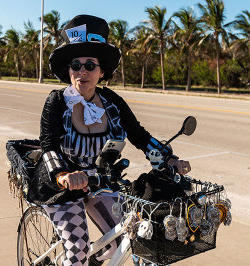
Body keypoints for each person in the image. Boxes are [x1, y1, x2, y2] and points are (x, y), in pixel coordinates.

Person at [27, 14, 191, 266]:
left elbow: (138, 135)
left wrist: (169, 158)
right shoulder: (58, 101)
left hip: (99, 179)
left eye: (90, 65)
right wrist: (62, 175)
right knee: (78, 248)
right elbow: (48, 144)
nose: (82, 71)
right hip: (60, 187)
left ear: (101, 71)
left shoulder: (112, 101)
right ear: (69, 71)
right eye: (76, 65)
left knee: (129, 236)